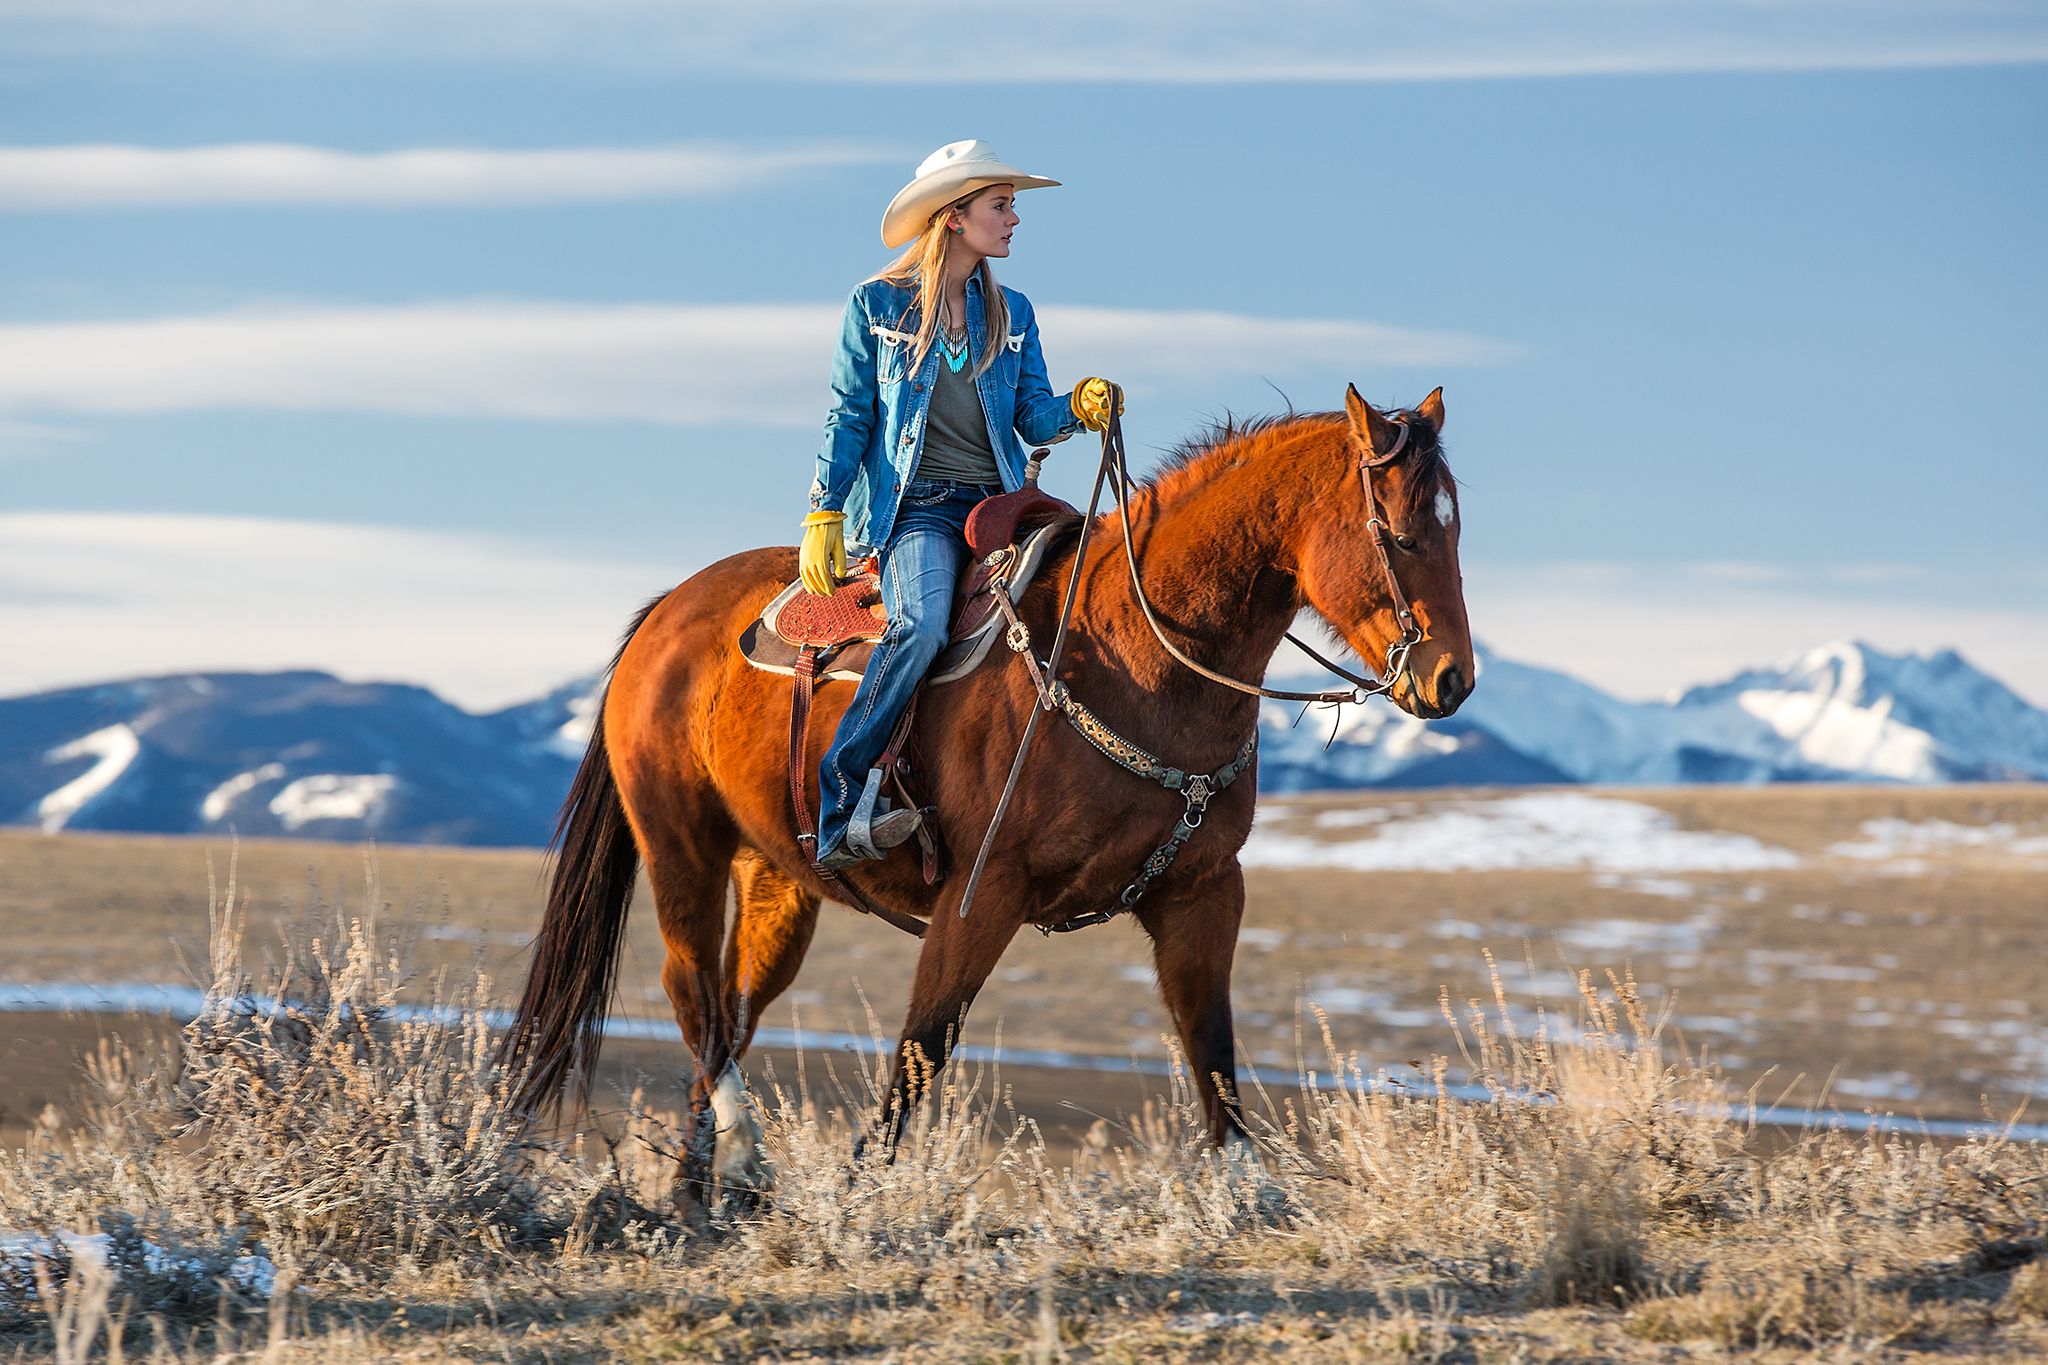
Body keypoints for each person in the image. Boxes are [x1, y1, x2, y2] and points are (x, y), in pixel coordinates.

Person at [801, 139, 1120, 870]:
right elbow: (848, 415)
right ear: (953, 217)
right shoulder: (875, 306)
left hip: (1002, 506)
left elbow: (1034, 417)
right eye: (1000, 206)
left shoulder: (1013, 312)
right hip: (918, 509)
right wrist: (823, 509)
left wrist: (1080, 405)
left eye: (1011, 205)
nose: (1014, 220)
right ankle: (843, 792)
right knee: (917, 627)